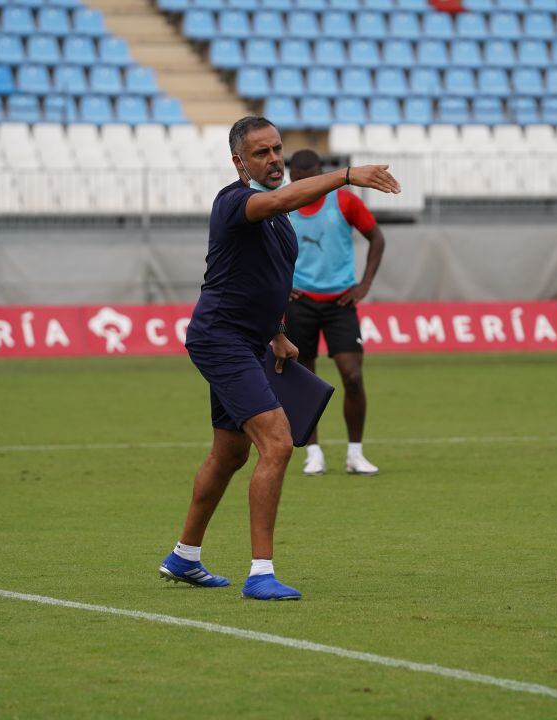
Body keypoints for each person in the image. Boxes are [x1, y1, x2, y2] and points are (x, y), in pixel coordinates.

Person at [158, 117, 401, 601]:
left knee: (230, 453)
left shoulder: (281, 228)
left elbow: (262, 282)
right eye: (261, 153)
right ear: (239, 164)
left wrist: (278, 334)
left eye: (277, 150)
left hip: (250, 342)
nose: (273, 160)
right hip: (220, 339)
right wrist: (347, 174)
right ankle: (261, 573)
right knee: (278, 442)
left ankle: (184, 557)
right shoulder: (236, 202)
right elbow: (279, 200)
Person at [284, 149, 386, 477]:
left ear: (320, 173)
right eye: (300, 179)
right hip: (298, 303)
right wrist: (280, 285)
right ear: (292, 178)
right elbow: (260, 250)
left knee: (352, 376)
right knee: (304, 382)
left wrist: (364, 284)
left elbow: (377, 238)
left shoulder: (344, 202)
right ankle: (312, 452)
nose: (306, 184)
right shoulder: (282, 204)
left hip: (340, 302)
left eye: (312, 177)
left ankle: (355, 453)